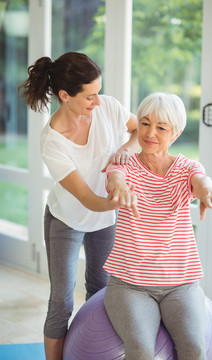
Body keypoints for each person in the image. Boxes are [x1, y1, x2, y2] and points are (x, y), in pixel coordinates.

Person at [18, 52, 139, 360]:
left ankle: (95, 355)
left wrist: (126, 149)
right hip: (66, 220)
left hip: (104, 220)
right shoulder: (53, 141)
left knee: (101, 292)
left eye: (98, 92)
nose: (97, 101)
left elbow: (138, 131)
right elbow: (85, 198)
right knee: (61, 301)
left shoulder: (108, 107)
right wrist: (118, 199)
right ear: (64, 96)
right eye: (90, 96)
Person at [103, 92, 212, 360]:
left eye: (161, 127)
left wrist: (207, 192)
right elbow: (115, 178)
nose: (150, 133)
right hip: (130, 285)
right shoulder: (124, 164)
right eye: (145, 123)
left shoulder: (186, 168)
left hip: (180, 285)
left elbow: (200, 180)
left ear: (176, 133)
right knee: (140, 351)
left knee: (195, 348)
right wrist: (120, 188)